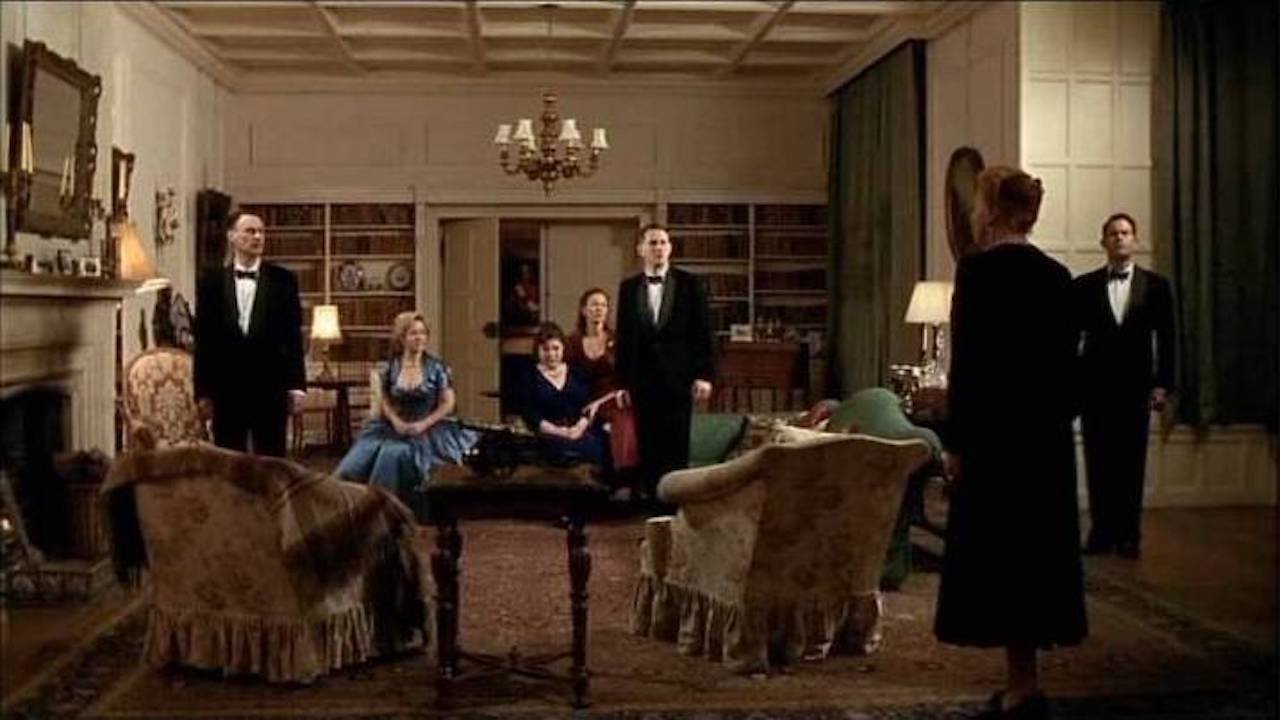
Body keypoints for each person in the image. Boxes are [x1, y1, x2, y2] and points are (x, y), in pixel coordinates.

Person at [935, 167, 1086, 720]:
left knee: (1000, 563)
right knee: (1034, 561)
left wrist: (956, 444)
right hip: (1043, 443)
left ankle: (1022, 688)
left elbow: (968, 368)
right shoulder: (1058, 276)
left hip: (993, 442)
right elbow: (1070, 370)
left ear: (992, 209)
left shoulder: (977, 273)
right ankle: (1024, 684)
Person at [1075, 212, 1176, 558]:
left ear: (1135, 240)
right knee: (1098, 460)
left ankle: (1129, 534)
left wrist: (1162, 385)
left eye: (1126, 232)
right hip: (1095, 389)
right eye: (1113, 233)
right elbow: (1070, 339)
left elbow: (1168, 339)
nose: (1120, 238)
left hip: (1135, 388)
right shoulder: (1084, 286)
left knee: (1131, 462)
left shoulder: (1156, 286)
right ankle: (1101, 533)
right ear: (1103, 242)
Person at [615, 223, 716, 504]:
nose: (658, 248)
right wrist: (622, 383)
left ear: (670, 248)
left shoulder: (690, 284)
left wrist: (704, 374)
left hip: (678, 378)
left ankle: (675, 504)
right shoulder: (628, 288)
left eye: (662, 242)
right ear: (640, 249)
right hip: (642, 380)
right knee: (648, 443)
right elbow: (625, 338)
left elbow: (703, 332)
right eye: (652, 243)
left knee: (676, 442)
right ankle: (653, 506)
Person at [194, 210, 306, 457]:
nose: (257, 237)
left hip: (271, 386)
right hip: (226, 388)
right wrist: (202, 392)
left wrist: (297, 386)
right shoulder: (211, 282)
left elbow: (293, 336)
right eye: (250, 231)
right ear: (232, 236)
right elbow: (204, 341)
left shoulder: (283, 280)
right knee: (229, 461)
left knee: (272, 461)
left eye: (261, 232)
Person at [335, 312, 477, 500]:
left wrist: (423, 424)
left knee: (390, 456)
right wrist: (396, 422)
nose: (419, 338)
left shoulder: (437, 368)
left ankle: (384, 504)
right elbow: (384, 400)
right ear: (402, 338)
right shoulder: (392, 367)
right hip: (394, 426)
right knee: (354, 466)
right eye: (413, 333)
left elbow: (448, 403)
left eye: (423, 333)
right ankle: (350, 505)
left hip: (428, 427)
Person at [565, 288, 641, 479]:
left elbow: (629, 375)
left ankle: (625, 477)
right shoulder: (572, 342)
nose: (599, 309)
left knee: (624, 417)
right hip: (584, 399)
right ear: (584, 310)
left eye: (603, 305)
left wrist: (602, 401)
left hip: (613, 398)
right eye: (594, 305)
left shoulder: (617, 340)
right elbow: (568, 378)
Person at [520, 322, 609, 468]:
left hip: (580, 430)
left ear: (563, 348)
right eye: (545, 349)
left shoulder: (577, 373)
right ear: (537, 350)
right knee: (562, 452)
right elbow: (530, 414)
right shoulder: (529, 377)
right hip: (548, 434)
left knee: (602, 449)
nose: (551, 354)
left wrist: (579, 428)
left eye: (556, 348)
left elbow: (589, 405)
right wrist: (559, 432)